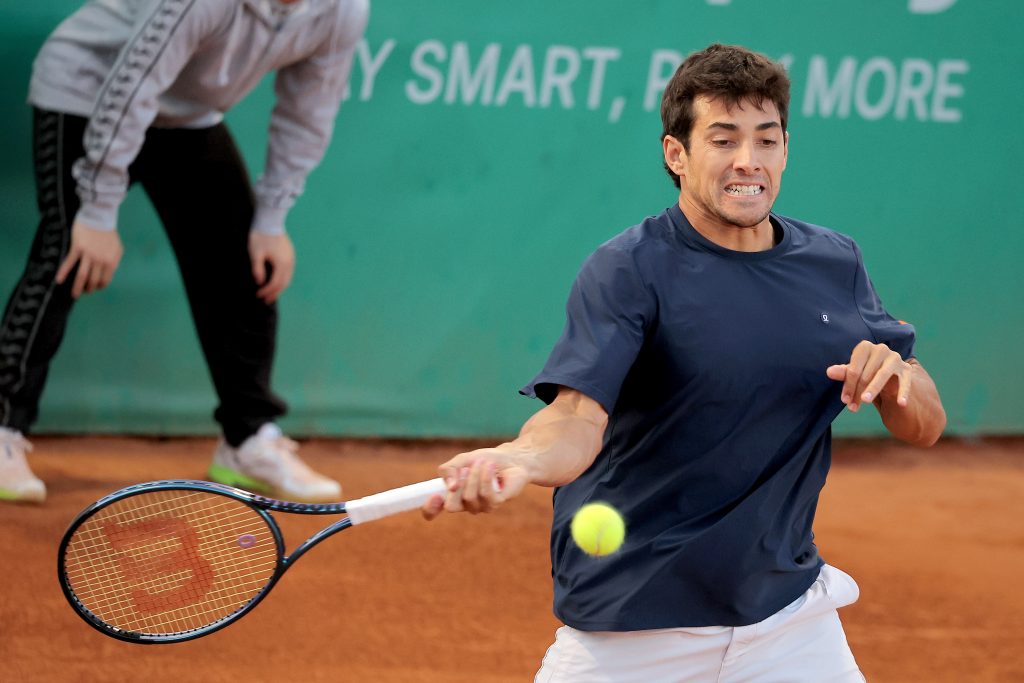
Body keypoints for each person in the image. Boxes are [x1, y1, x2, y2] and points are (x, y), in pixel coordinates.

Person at [421, 43, 946, 682]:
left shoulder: (835, 261)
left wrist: (899, 382)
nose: (748, 162)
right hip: (638, 620)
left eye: (766, 140)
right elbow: (576, 419)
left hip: (786, 618)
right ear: (678, 154)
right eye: (723, 140)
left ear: (786, 147)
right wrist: (521, 459)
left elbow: (924, 422)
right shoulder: (629, 269)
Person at [0, 0, 369, 504]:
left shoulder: (342, 10)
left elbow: (309, 110)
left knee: (246, 260)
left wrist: (272, 217)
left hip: (187, 114)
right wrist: (97, 208)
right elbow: (132, 84)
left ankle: (247, 440)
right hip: (87, 91)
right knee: (68, 250)